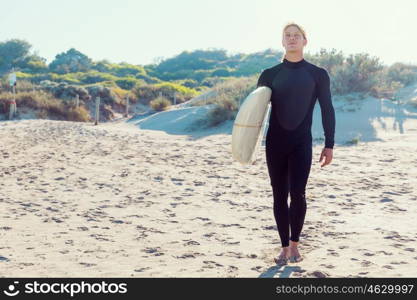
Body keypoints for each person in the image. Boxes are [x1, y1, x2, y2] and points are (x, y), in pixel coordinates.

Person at [256, 22, 336, 265]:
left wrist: (329, 144)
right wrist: (247, 146)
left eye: (296, 36)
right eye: (287, 36)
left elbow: (327, 109)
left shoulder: (317, 74)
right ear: (282, 42)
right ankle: (283, 248)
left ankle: (295, 245)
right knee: (279, 194)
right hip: (275, 143)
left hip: (301, 142)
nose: (291, 39)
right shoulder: (269, 74)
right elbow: (255, 114)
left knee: (298, 193)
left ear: (304, 41)